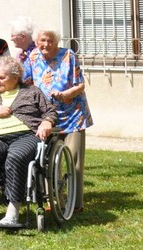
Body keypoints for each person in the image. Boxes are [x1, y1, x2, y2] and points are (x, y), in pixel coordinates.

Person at [0, 56, 58, 227]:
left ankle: (12, 212)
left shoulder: (32, 91)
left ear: (15, 77)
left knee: (16, 157)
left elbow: (50, 111)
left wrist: (47, 122)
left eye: (1, 77)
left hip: (25, 135)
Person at [22, 29, 93, 213]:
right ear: (37, 42)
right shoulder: (33, 56)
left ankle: (76, 204)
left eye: (50, 41)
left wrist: (64, 95)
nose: (45, 44)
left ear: (56, 42)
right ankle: (54, 201)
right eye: (42, 40)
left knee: (74, 159)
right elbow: (25, 81)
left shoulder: (68, 55)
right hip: (47, 117)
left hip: (73, 115)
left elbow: (80, 84)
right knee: (48, 159)